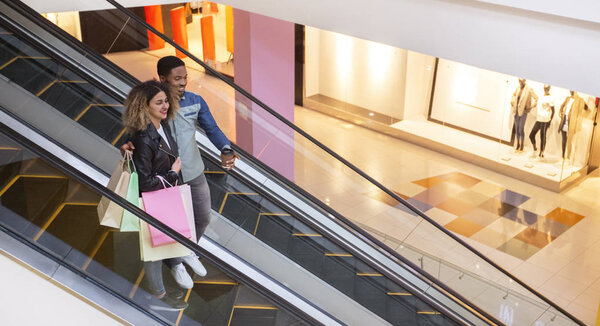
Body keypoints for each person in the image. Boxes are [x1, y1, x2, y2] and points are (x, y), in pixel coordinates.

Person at [121, 56, 237, 289]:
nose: (183, 82)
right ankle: (175, 264)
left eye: (185, 77)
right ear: (163, 79)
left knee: (202, 217)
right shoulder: (155, 101)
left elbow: (212, 128)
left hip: (192, 171)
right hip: (164, 178)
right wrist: (125, 143)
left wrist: (225, 148)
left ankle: (183, 254)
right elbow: (138, 128)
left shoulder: (195, 101)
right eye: (177, 78)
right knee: (165, 226)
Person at [123, 80, 196, 311]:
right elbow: (145, 182)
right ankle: (158, 297)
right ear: (145, 107)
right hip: (152, 202)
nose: (165, 106)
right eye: (159, 102)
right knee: (153, 252)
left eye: (166, 101)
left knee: (160, 245)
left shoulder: (160, 126)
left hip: (163, 198)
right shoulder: (144, 138)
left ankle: (175, 266)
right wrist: (172, 175)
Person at [558, 90, 588, 159]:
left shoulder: (580, 100)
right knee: (564, 139)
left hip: (572, 122)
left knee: (569, 140)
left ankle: (568, 156)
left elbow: (586, 108)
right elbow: (562, 106)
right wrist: (561, 113)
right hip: (564, 120)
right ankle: (563, 156)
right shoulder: (568, 98)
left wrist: (579, 117)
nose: (570, 91)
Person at [510, 78, 538, 152]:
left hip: (523, 112)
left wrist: (531, 106)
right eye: (519, 81)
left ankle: (522, 144)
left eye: (521, 81)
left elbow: (536, 98)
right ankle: (518, 144)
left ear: (524, 81)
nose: (520, 82)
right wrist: (512, 102)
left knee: (521, 128)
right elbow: (514, 95)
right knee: (517, 128)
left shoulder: (529, 89)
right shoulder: (518, 88)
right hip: (516, 110)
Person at [529, 84, 554, 158]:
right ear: (543, 88)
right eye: (545, 88)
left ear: (549, 88)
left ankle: (542, 152)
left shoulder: (551, 98)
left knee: (542, 136)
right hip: (539, 119)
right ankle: (535, 148)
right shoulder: (541, 97)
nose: (546, 89)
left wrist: (550, 120)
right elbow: (537, 103)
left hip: (545, 120)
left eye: (547, 88)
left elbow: (553, 110)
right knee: (531, 135)